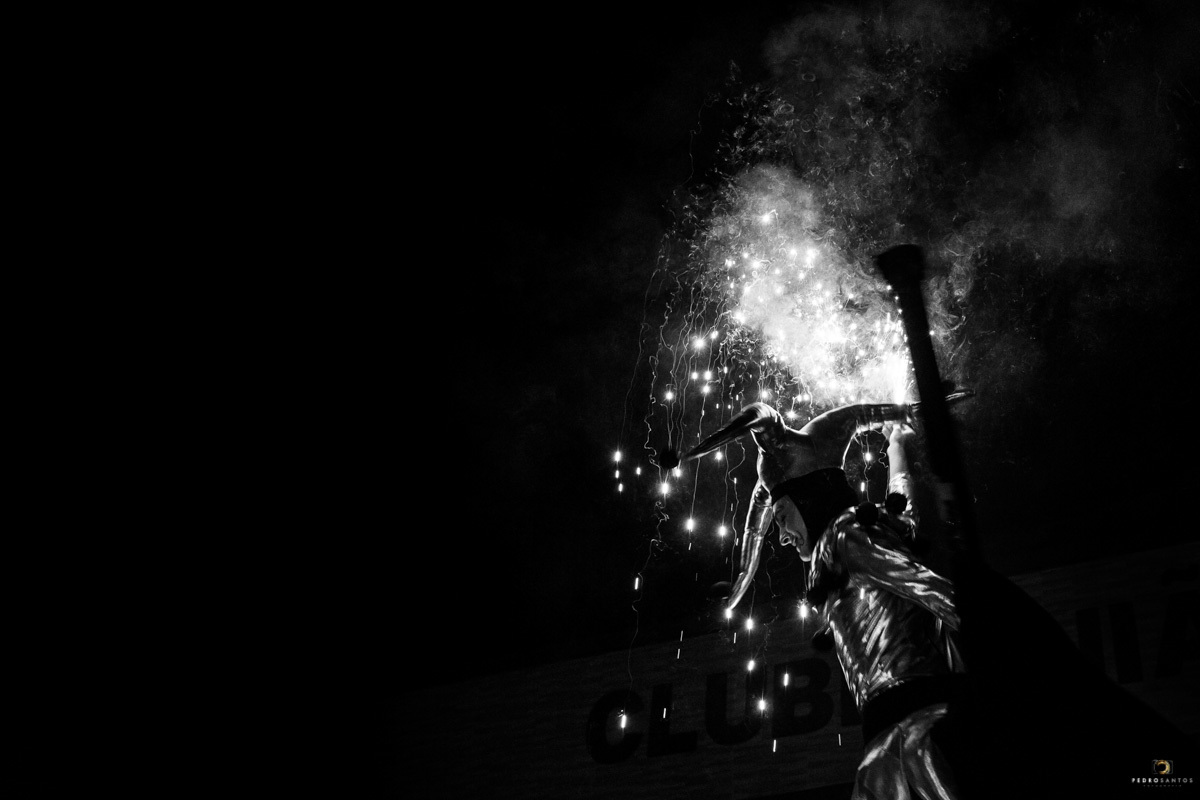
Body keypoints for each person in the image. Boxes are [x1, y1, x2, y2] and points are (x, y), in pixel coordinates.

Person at [683, 400, 968, 800]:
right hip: (899, 732)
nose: (782, 537)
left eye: (781, 518)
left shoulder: (846, 538)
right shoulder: (849, 542)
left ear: (808, 499)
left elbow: (937, 592)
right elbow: (905, 521)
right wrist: (897, 447)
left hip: (913, 741)